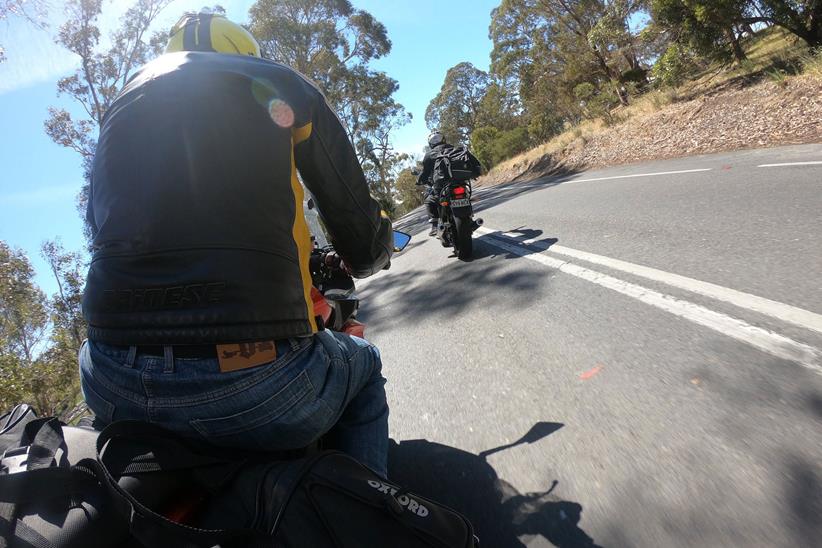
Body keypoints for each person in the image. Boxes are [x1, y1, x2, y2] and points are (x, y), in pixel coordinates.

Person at [78, 13, 394, 478]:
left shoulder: (118, 108)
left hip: (108, 378)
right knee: (363, 364)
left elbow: (98, 229)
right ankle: (365, 516)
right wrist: (374, 248)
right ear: (246, 54)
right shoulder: (276, 82)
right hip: (254, 383)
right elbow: (352, 216)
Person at [415, 131, 480, 236]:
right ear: (443, 139)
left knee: (429, 200)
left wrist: (419, 180)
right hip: (460, 182)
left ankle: (435, 224)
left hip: (441, 185)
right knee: (465, 195)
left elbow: (425, 172)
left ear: (430, 144)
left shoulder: (429, 155)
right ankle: (470, 219)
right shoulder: (453, 149)